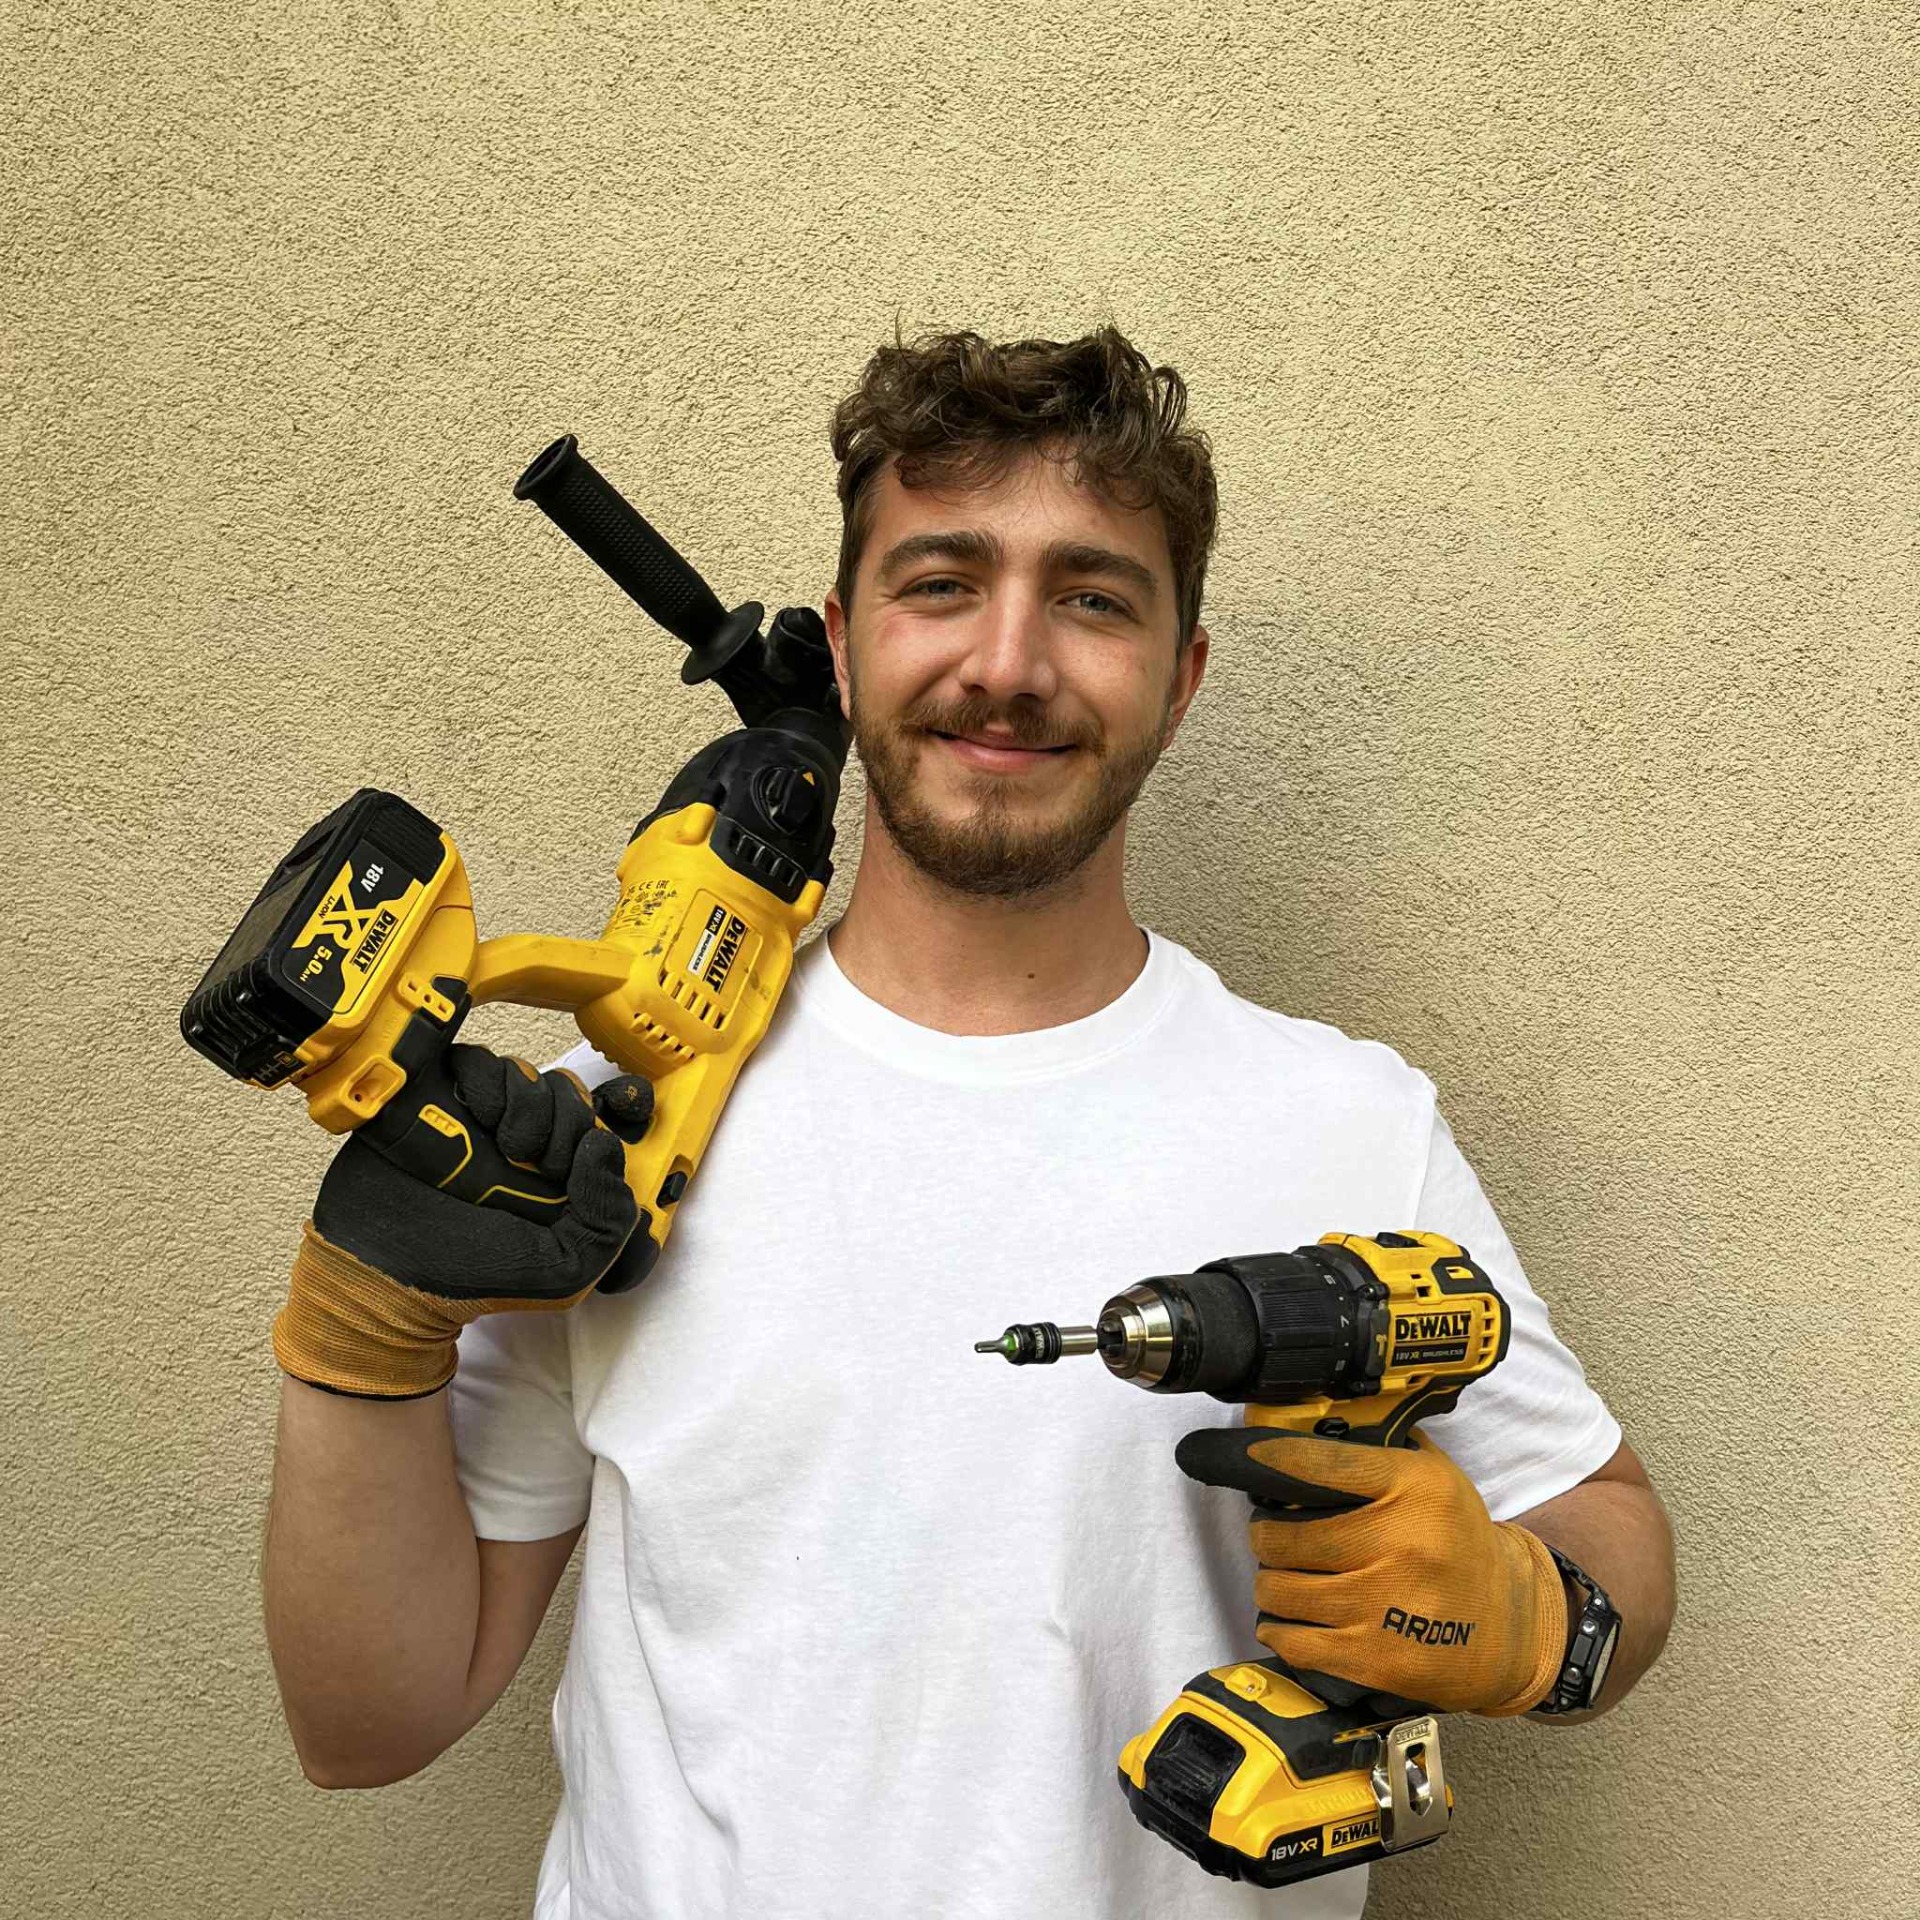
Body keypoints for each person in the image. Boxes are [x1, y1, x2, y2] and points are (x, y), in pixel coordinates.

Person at [262, 324, 1675, 1920]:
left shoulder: (1348, 1122)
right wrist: (364, 1334)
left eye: (1093, 598)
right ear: (843, 645)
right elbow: (366, 1723)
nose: (1007, 663)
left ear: (1181, 678)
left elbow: (1612, 1527)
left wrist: (1532, 1618)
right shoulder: (611, 1144)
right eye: (941, 583)